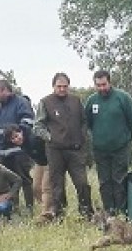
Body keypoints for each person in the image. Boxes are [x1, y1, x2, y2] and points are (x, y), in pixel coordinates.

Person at [34, 72, 94, 221]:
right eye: (59, 86)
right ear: (53, 86)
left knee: (82, 184)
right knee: (57, 186)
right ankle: (59, 216)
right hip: (55, 150)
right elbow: (37, 126)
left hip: (75, 149)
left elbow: (85, 121)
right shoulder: (45, 102)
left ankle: (87, 214)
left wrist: (83, 136)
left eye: (65, 86)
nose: (62, 89)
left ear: (69, 86)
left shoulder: (76, 101)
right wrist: (49, 137)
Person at [85, 70, 132, 216]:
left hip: (120, 147)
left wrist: (125, 138)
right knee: (104, 181)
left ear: (110, 82)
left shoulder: (123, 98)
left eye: (104, 84)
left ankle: (122, 211)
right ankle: (109, 211)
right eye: (98, 85)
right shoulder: (92, 101)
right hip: (100, 148)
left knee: (119, 179)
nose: (102, 88)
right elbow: (88, 123)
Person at [0, 79, 35, 212]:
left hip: (19, 151)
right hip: (3, 153)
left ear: (6, 90)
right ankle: (14, 210)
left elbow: (27, 122)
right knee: (10, 182)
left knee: (25, 180)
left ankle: (29, 210)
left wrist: (16, 136)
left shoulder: (21, 102)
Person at [4, 123, 56, 221]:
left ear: (21, 132)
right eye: (13, 139)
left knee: (46, 188)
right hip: (40, 162)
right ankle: (51, 208)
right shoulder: (22, 143)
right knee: (36, 188)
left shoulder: (34, 137)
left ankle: (45, 214)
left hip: (51, 161)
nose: (16, 139)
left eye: (16, 136)